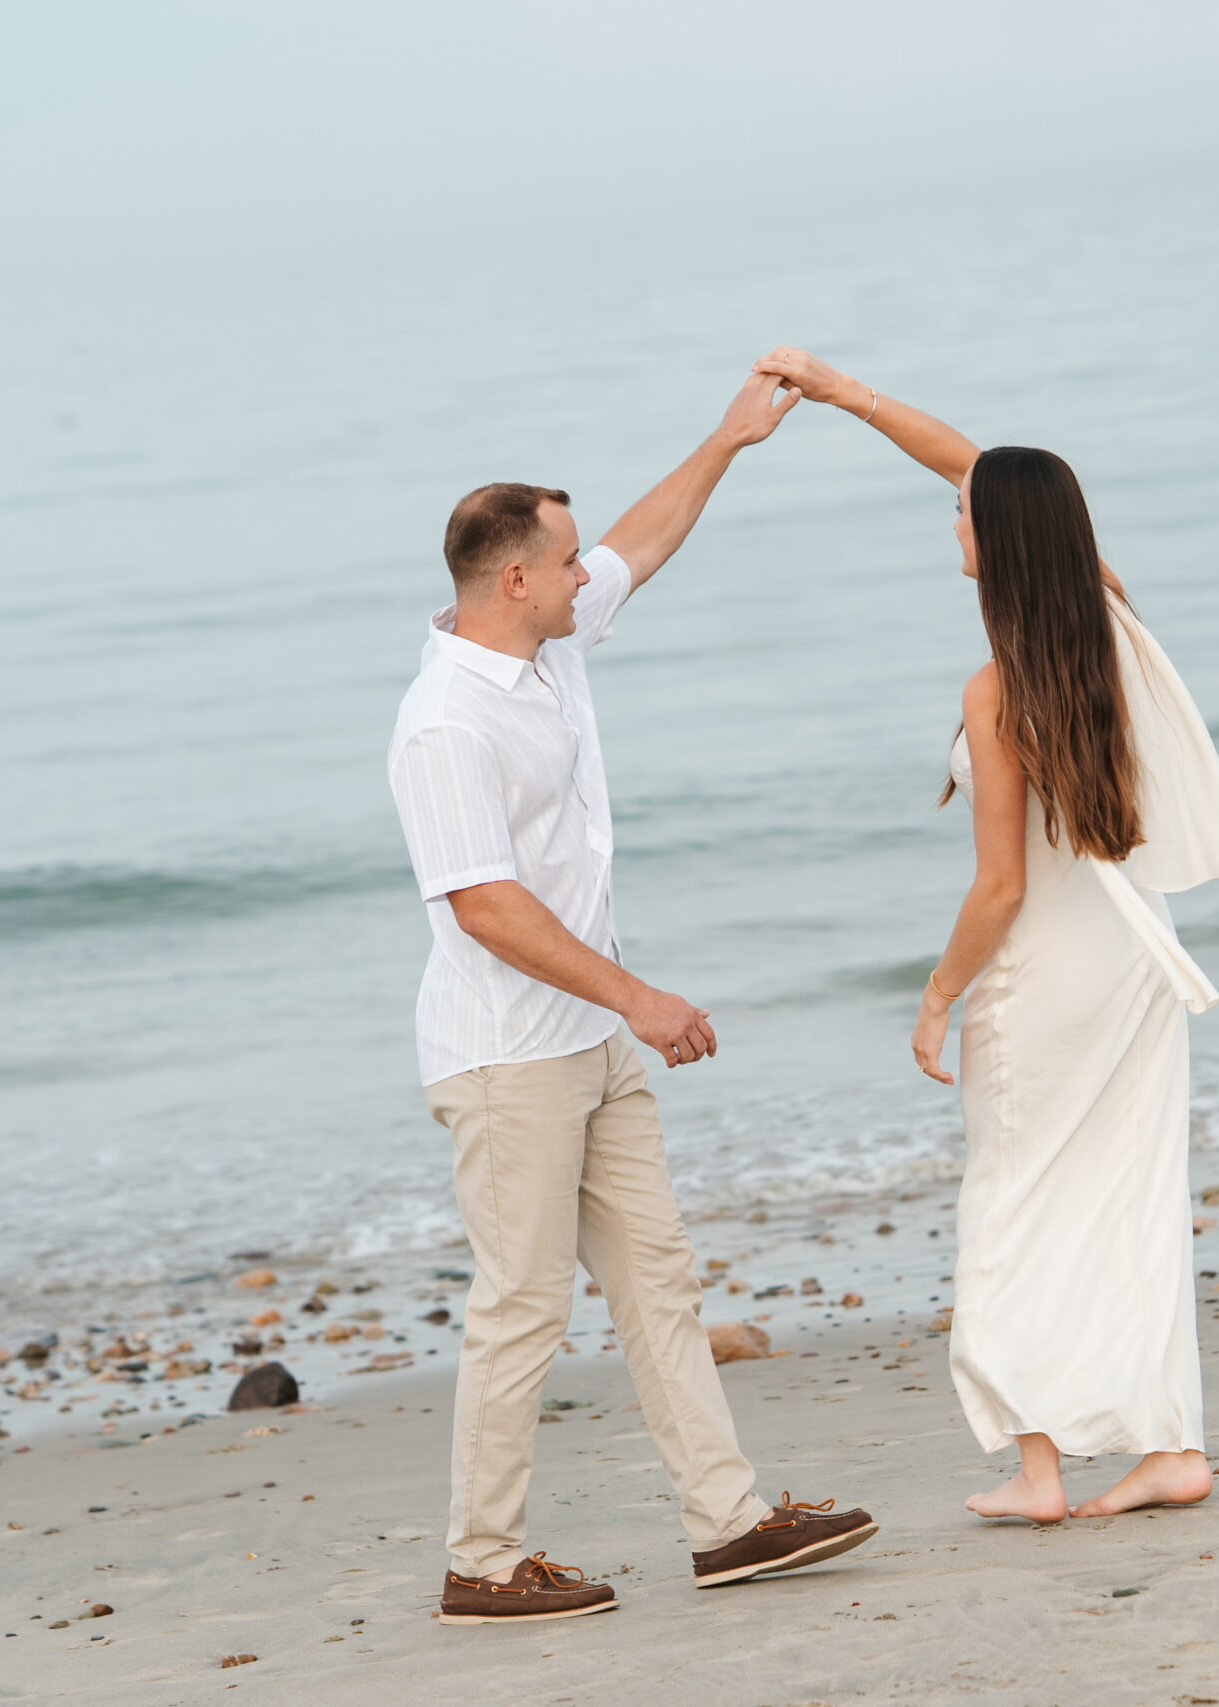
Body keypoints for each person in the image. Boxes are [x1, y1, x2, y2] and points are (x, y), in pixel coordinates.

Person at [387, 372, 875, 1624]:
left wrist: (728, 440)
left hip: (587, 1039)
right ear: (512, 582)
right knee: (524, 1309)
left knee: (659, 1278)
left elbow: (640, 546)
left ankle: (728, 1523)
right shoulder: (445, 723)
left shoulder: (546, 647)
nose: (584, 572)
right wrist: (639, 997)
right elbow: (481, 903)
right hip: (507, 1057)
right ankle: (482, 1563)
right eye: (563, 561)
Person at [753, 348, 1219, 1524]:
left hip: (1047, 983)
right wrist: (849, 395)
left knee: (1012, 1204)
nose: (952, 513)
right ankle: (1170, 1447)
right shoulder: (1105, 621)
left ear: (999, 541)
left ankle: (1040, 1472)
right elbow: (986, 471)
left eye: (964, 514)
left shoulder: (996, 687)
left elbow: (997, 890)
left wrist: (937, 997)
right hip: (1133, 960)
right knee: (1128, 1199)